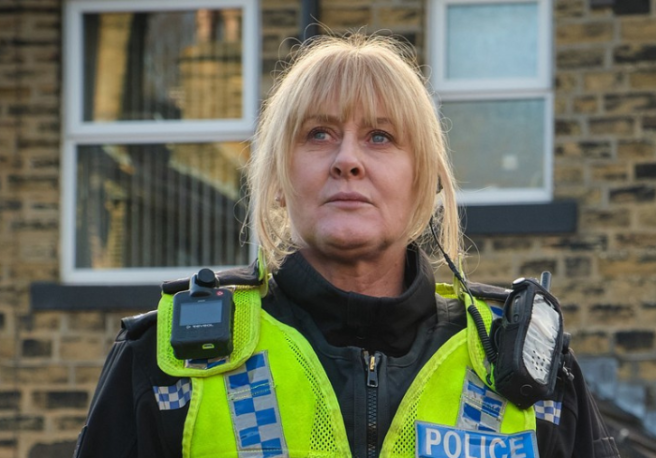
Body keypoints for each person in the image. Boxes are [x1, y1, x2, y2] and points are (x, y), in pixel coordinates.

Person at [74, 33, 620, 458]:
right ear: (278, 181)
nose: (347, 160)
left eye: (380, 136)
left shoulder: (525, 368)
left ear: (424, 181)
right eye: (318, 134)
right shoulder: (167, 362)